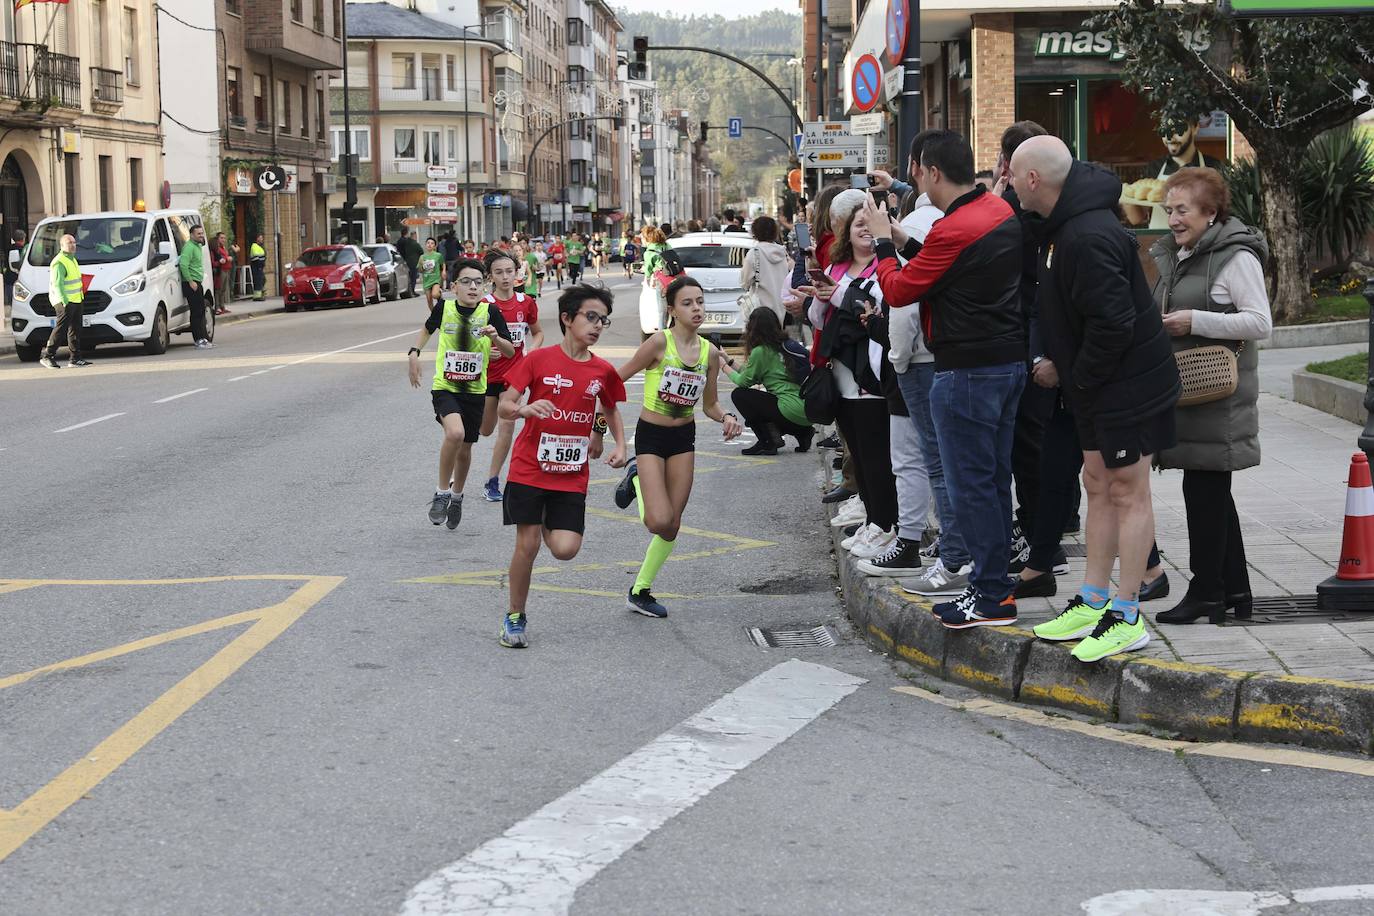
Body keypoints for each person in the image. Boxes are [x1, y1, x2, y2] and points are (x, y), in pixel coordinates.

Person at [1009, 135, 1180, 662]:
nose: (1007, 182)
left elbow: (1114, 324)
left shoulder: (1087, 235)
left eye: (1012, 174)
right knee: (1098, 485)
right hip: (1094, 386)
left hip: (1123, 386)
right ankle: (1092, 599)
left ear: (1033, 179)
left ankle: (1126, 614)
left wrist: (1075, 376)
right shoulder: (1060, 229)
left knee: (1127, 491)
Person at [867, 129, 1027, 627]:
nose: (914, 178)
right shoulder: (996, 212)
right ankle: (996, 586)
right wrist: (902, 237)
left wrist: (880, 241)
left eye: (916, 170)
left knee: (969, 487)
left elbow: (897, 290)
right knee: (995, 481)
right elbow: (952, 265)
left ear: (932, 171)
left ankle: (989, 596)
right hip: (1007, 364)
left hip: (966, 373)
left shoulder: (953, 229)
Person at [1151, 167, 1269, 626]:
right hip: (1191, 392)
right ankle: (1236, 589)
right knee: (1211, 494)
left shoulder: (1235, 257)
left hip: (1218, 396)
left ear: (1210, 212)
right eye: (1169, 209)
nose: (1173, 218)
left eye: (1182, 209)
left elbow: (1260, 322)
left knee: (1204, 492)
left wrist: (1194, 321)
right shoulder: (1182, 254)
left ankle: (1206, 593)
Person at [496, 285, 628, 648]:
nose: (598, 325)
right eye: (590, 317)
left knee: (565, 549)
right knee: (527, 546)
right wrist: (523, 409)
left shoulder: (602, 370)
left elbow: (610, 407)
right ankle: (514, 617)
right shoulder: (538, 360)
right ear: (567, 319)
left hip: (570, 475)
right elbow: (505, 404)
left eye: (603, 319)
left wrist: (614, 441)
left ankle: (543, 519)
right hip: (529, 468)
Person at [613, 276, 743, 618]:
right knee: (657, 521)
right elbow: (616, 381)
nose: (697, 308)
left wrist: (727, 416)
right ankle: (637, 477)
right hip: (652, 437)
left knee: (672, 526)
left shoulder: (709, 352)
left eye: (700, 301)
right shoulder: (658, 343)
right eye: (688, 303)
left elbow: (710, 404)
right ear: (672, 310)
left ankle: (640, 590)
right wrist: (601, 426)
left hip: (683, 439)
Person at [801, 190, 901, 562]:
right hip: (840, 374)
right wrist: (818, 298)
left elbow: (871, 309)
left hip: (872, 376)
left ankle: (886, 526)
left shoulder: (887, 266)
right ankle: (874, 521)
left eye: (868, 225)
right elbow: (817, 319)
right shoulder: (837, 267)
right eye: (857, 225)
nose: (863, 231)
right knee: (858, 452)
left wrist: (839, 296)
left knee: (878, 458)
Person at [407, 258, 516, 530]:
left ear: (484, 286)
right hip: (446, 386)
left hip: (475, 391)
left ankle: (457, 497)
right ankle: (442, 492)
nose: (473, 287)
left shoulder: (490, 312)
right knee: (454, 434)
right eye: (466, 282)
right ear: (454, 287)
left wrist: (495, 337)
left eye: (479, 282)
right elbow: (426, 329)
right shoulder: (444, 308)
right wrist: (414, 353)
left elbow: (510, 351)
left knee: (466, 449)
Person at [479, 249, 544, 503]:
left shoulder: (526, 302)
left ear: (517, 273)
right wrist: (486, 352)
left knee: (507, 424)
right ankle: (461, 455)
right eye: (499, 272)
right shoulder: (484, 305)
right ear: (491, 276)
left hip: (515, 374)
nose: (505, 277)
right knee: (485, 430)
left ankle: (493, 481)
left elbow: (537, 333)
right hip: (487, 375)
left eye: (509, 271)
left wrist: (530, 353)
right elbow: (471, 340)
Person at [719, 308, 813, 455]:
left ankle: (768, 442)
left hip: (789, 409)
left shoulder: (761, 351)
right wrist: (728, 359)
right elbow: (750, 372)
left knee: (740, 395)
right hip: (807, 410)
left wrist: (723, 367)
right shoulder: (785, 345)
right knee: (765, 403)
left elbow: (743, 382)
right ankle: (803, 432)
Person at [40, 233, 90, 368]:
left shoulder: (72, 259)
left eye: (74, 242)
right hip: (64, 301)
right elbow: (58, 284)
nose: (73, 245)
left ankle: (75, 358)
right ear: (62, 246)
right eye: (69, 243)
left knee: (75, 329)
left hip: (76, 299)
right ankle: (47, 355)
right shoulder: (59, 261)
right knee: (61, 329)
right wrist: (64, 300)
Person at [740, 216, 791, 322]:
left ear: (755, 232)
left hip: (760, 309)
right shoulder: (783, 252)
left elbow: (745, 283)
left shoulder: (754, 254)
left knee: (760, 337)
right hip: (781, 306)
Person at [181, 224, 212, 349]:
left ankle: (203, 338)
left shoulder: (198, 245)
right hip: (191, 283)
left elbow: (204, 242)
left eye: (202, 233)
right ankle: (198, 340)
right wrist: (190, 281)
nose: (201, 235)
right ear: (192, 235)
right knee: (196, 312)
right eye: (198, 233)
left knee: (201, 311)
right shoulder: (189, 247)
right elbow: (183, 265)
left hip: (197, 282)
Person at [418, 238, 445, 311]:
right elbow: (420, 270)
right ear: (425, 245)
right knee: (429, 300)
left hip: (436, 279)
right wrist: (421, 265)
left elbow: (443, 264)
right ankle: (434, 315)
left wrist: (443, 271)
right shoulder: (422, 257)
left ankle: (439, 295)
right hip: (427, 280)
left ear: (435, 246)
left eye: (432, 243)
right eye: (428, 243)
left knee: (435, 294)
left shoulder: (438, 255)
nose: (429, 245)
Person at [210, 232, 235, 315]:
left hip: (227, 269)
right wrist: (226, 258)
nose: (223, 240)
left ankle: (222, 306)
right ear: (217, 239)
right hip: (221, 270)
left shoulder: (224, 248)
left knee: (223, 289)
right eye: (221, 238)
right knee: (218, 289)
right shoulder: (216, 248)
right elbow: (217, 259)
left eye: (224, 238)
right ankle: (217, 307)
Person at [397, 230, 423, 295]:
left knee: (409, 277)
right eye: (415, 236)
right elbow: (421, 251)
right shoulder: (415, 244)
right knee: (413, 277)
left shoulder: (406, 243)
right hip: (414, 262)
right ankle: (412, 291)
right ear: (414, 236)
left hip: (407, 262)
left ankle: (409, 291)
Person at [5, 228, 26, 307]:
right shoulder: (23, 251)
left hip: (9, 281)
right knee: (20, 304)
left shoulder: (8, 249)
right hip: (19, 281)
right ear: (23, 239)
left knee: (12, 305)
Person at [249, 233, 267, 301]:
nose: (262, 239)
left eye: (262, 238)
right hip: (257, 266)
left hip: (260, 266)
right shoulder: (254, 246)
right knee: (258, 281)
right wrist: (260, 265)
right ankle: (257, 296)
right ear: (257, 239)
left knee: (262, 280)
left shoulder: (260, 246)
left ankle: (260, 294)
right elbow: (255, 258)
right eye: (260, 238)